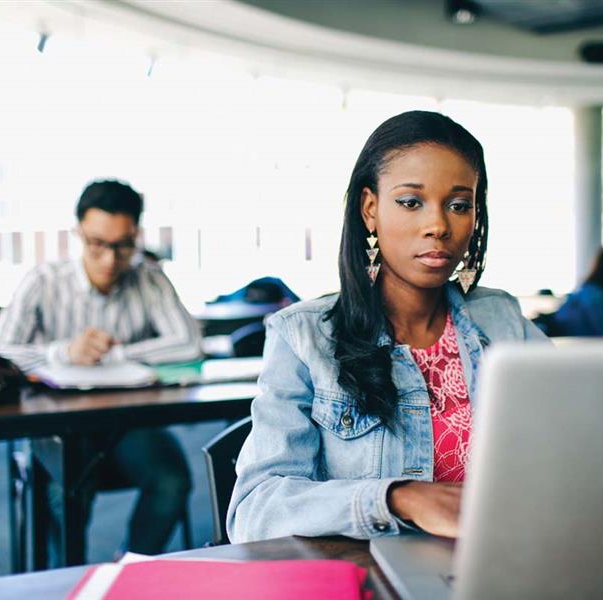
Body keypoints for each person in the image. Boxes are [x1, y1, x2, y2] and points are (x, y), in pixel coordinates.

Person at [227, 111, 547, 544]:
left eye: (459, 204)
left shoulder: (503, 320)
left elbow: (583, 438)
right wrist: (399, 498)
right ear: (370, 209)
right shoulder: (303, 337)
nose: (438, 225)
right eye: (411, 202)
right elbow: (255, 510)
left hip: (509, 558)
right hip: (380, 573)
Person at [0, 179, 202, 561]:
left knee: (172, 480)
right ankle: (69, 581)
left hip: (127, 422)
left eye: (122, 246)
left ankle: (125, 570)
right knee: (66, 489)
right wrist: (63, 352)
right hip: (56, 423)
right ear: (78, 233)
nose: (109, 259)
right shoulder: (43, 280)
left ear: (135, 235)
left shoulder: (149, 277)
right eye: (97, 244)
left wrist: (119, 355)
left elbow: (189, 343)